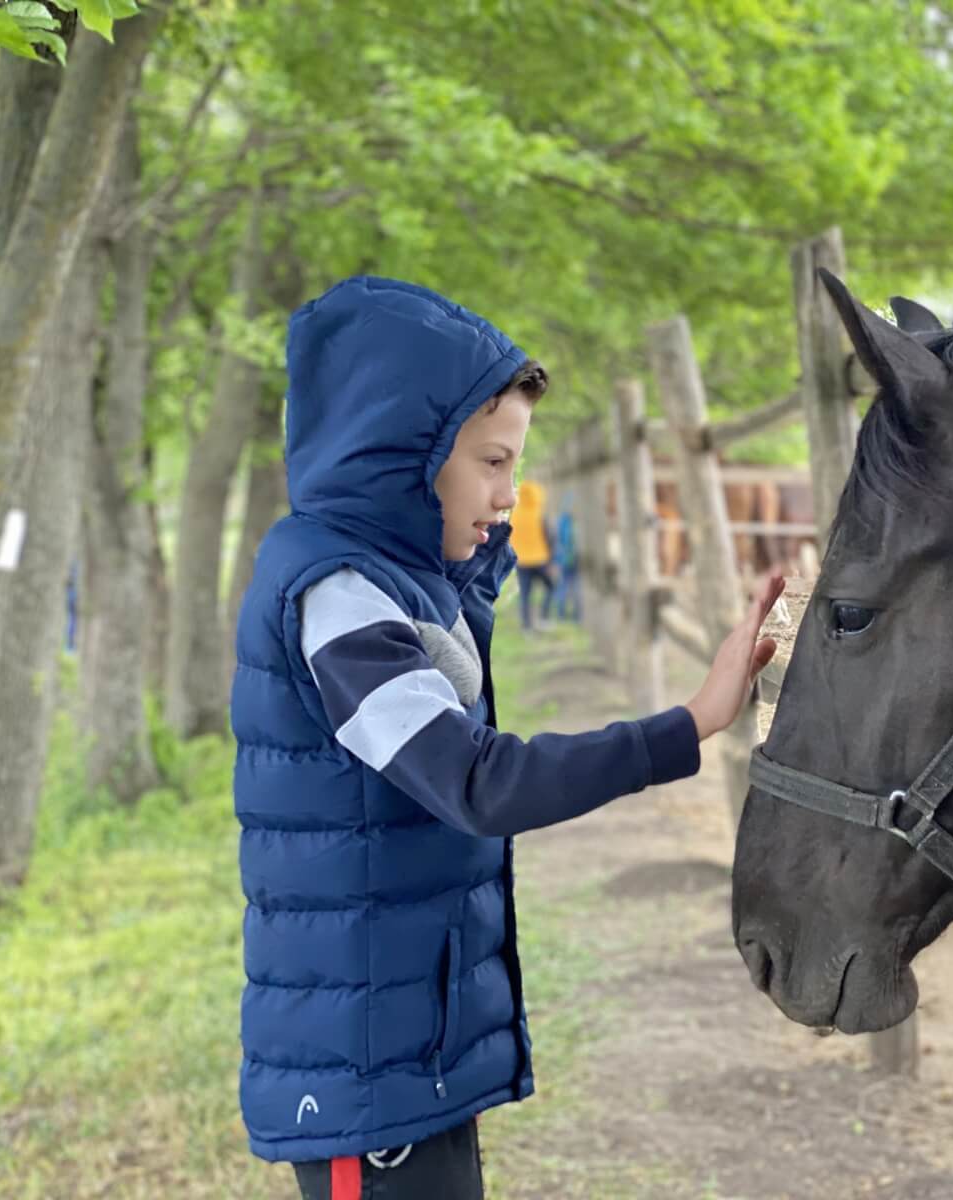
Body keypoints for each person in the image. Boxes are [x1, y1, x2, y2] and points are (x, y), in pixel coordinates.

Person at [230, 276, 781, 1200]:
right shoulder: (337, 597)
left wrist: (472, 565)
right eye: (491, 462)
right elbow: (478, 782)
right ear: (398, 455)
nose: (508, 494)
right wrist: (686, 726)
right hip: (366, 1073)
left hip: (402, 1044)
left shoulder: (386, 582)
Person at [508, 477, 556, 631]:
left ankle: (526, 626)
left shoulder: (515, 515)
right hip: (540, 560)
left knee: (525, 594)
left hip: (522, 561)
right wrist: (551, 561)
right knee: (551, 587)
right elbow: (549, 538)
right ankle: (544, 617)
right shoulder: (539, 514)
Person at [551, 493, 580, 622]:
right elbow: (567, 541)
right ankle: (572, 615)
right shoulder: (570, 522)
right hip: (570, 559)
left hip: (563, 558)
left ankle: (563, 614)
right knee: (572, 586)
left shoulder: (561, 520)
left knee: (564, 585)